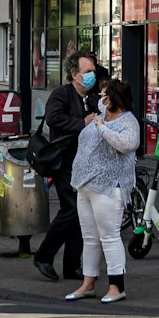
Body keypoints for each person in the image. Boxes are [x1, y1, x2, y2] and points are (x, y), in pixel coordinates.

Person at [65, 79, 140, 304]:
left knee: (109, 236)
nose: (100, 98)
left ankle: (117, 286)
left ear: (113, 98)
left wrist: (102, 128)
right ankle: (88, 284)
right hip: (86, 186)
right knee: (90, 237)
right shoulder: (100, 117)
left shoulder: (128, 121)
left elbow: (127, 144)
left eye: (103, 95)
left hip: (109, 187)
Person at [33, 52, 98, 283]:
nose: (92, 75)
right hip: (64, 161)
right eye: (88, 71)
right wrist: (81, 123)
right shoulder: (61, 94)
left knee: (81, 214)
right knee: (71, 209)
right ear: (74, 74)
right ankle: (44, 255)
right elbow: (53, 119)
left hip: (86, 163)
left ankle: (72, 265)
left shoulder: (92, 98)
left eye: (93, 71)